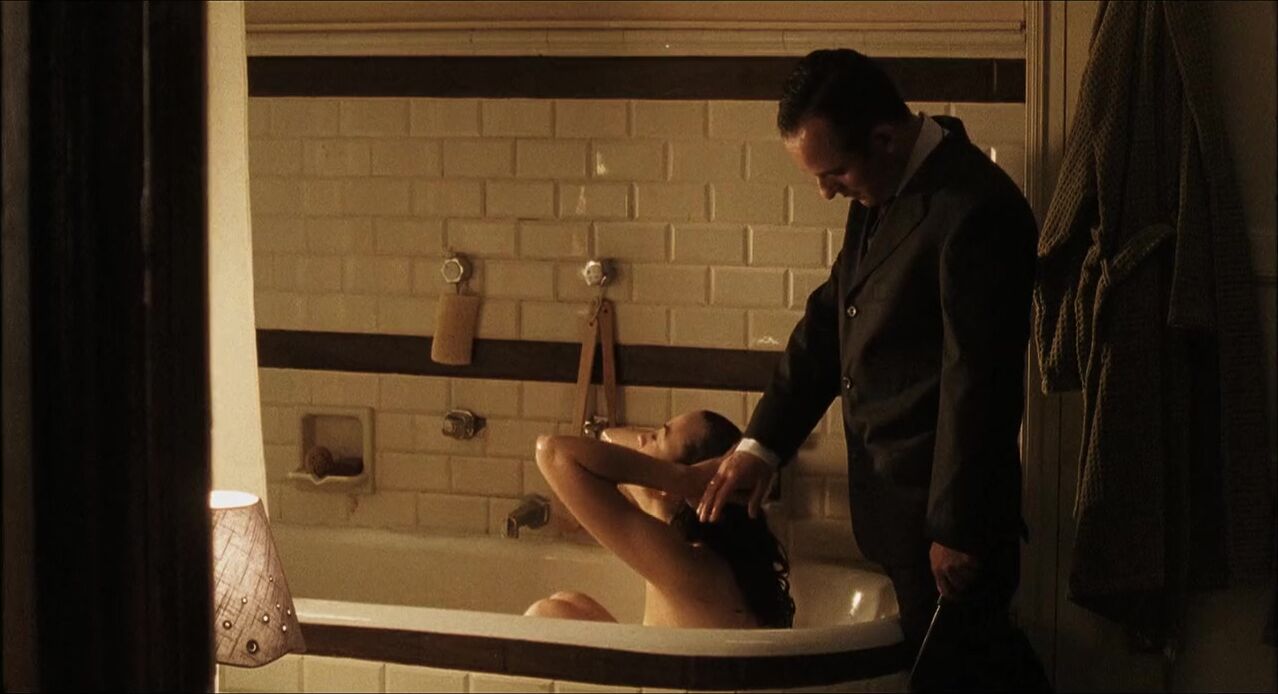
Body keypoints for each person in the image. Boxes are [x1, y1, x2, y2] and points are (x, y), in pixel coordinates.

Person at [695, 49, 1050, 690]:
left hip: (946, 531)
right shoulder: (880, 188)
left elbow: (980, 381)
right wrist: (761, 445)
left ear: (885, 138)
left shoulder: (976, 208)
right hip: (901, 520)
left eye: (834, 173)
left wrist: (956, 527)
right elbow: (829, 325)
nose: (826, 191)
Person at [526, 410, 795, 629]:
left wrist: (683, 479)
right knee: (568, 604)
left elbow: (554, 452)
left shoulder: (691, 565)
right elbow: (608, 437)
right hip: (666, 673)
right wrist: (675, 471)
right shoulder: (709, 556)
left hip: (670, 679)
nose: (640, 439)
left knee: (546, 614)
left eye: (656, 437)